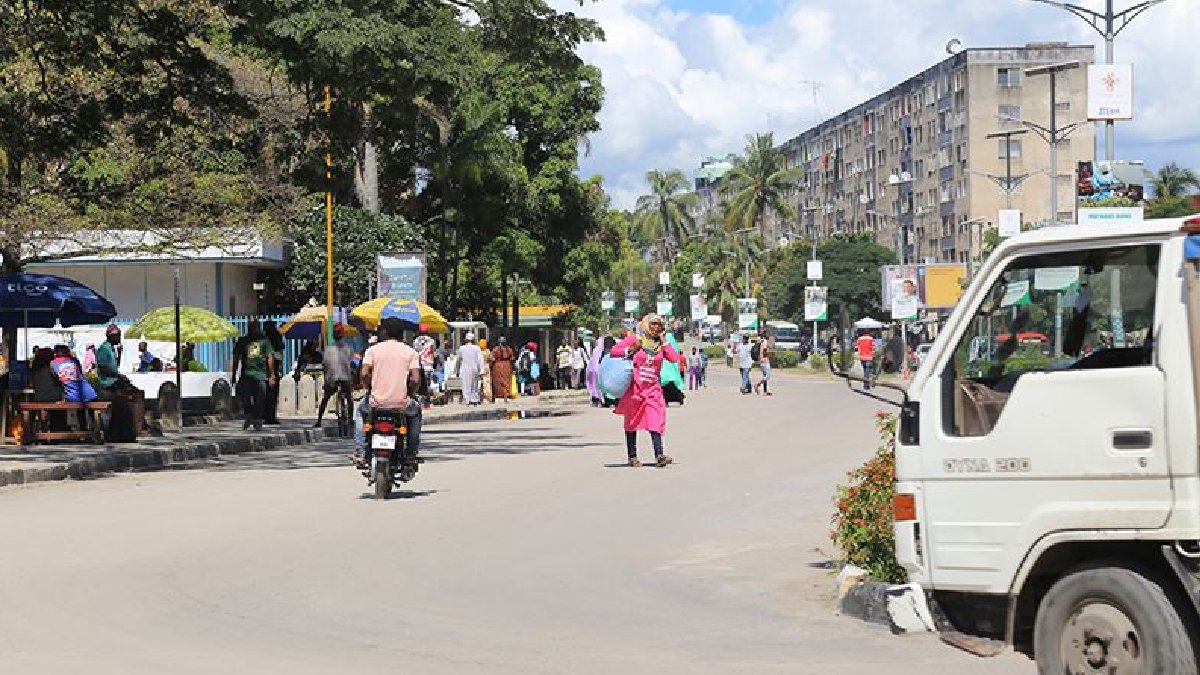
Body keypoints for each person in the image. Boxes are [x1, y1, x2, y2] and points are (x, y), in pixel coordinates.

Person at [611, 314, 678, 467]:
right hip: (634, 388)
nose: (656, 327)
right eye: (653, 324)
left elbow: (674, 358)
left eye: (659, 325)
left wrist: (664, 341)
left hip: (653, 389)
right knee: (632, 422)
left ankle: (659, 454)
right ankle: (632, 456)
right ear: (647, 324)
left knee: (655, 420)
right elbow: (614, 352)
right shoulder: (635, 339)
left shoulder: (660, 345)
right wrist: (631, 349)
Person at [357, 317, 423, 468]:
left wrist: (369, 387)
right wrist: (410, 392)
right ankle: (411, 454)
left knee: (360, 411)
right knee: (416, 412)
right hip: (401, 404)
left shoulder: (372, 351)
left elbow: (364, 373)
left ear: (384, 332)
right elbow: (415, 379)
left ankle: (360, 451)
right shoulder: (410, 352)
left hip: (376, 403)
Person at [231, 320, 276, 431]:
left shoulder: (264, 341)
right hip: (246, 375)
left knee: (260, 399)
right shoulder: (242, 341)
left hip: (260, 375)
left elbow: (270, 357)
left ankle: (258, 419)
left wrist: (271, 375)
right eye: (251, 327)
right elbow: (236, 358)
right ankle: (249, 414)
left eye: (254, 327)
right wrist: (233, 374)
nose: (252, 329)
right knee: (245, 398)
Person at [314, 325, 355, 427]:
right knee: (349, 398)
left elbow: (325, 365)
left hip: (332, 379)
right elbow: (351, 362)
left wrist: (326, 380)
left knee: (325, 398)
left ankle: (319, 421)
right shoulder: (348, 348)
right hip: (345, 378)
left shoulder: (328, 349)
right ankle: (350, 420)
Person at [262, 320, 284, 425]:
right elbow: (279, 353)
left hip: (262, 369)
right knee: (272, 393)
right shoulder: (276, 337)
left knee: (264, 393)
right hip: (272, 369)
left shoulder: (262, 338)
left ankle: (265, 415)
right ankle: (270, 416)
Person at [455, 332, 485, 406]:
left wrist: (457, 371)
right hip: (475, 369)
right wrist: (481, 370)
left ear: (466, 339)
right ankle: (474, 400)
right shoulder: (477, 348)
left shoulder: (462, 348)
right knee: (474, 385)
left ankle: (468, 400)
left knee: (466, 385)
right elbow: (480, 360)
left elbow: (458, 361)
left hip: (466, 369)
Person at [95, 324, 125, 393]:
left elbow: (116, 367)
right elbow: (102, 368)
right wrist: (117, 375)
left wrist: (120, 354)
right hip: (108, 384)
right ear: (112, 336)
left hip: (114, 381)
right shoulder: (104, 349)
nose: (119, 338)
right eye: (118, 336)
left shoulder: (111, 349)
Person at [479, 338, 494, 403]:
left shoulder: (478, 351)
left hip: (479, 367)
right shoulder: (488, 351)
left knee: (479, 382)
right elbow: (492, 359)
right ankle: (488, 397)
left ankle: (480, 397)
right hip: (486, 367)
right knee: (487, 382)